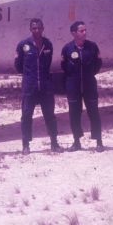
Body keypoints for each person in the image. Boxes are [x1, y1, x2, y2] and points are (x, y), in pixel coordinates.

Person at [15, 18, 62, 154]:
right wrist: (30, 77)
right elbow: (18, 66)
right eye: (34, 28)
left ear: (43, 28)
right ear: (30, 29)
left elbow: (48, 64)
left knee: (49, 115)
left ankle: (54, 142)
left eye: (39, 28)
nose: (36, 31)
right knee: (26, 115)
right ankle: (25, 145)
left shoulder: (48, 44)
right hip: (29, 86)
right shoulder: (23, 45)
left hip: (45, 86)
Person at [61, 21, 105, 153]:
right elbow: (64, 66)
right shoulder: (67, 48)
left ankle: (99, 141)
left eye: (85, 30)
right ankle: (76, 142)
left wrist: (89, 75)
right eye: (81, 31)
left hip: (89, 85)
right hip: (73, 86)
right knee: (74, 114)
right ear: (74, 33)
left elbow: (98, 64)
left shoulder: (92, 47)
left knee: (94, 113)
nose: (85, 33)